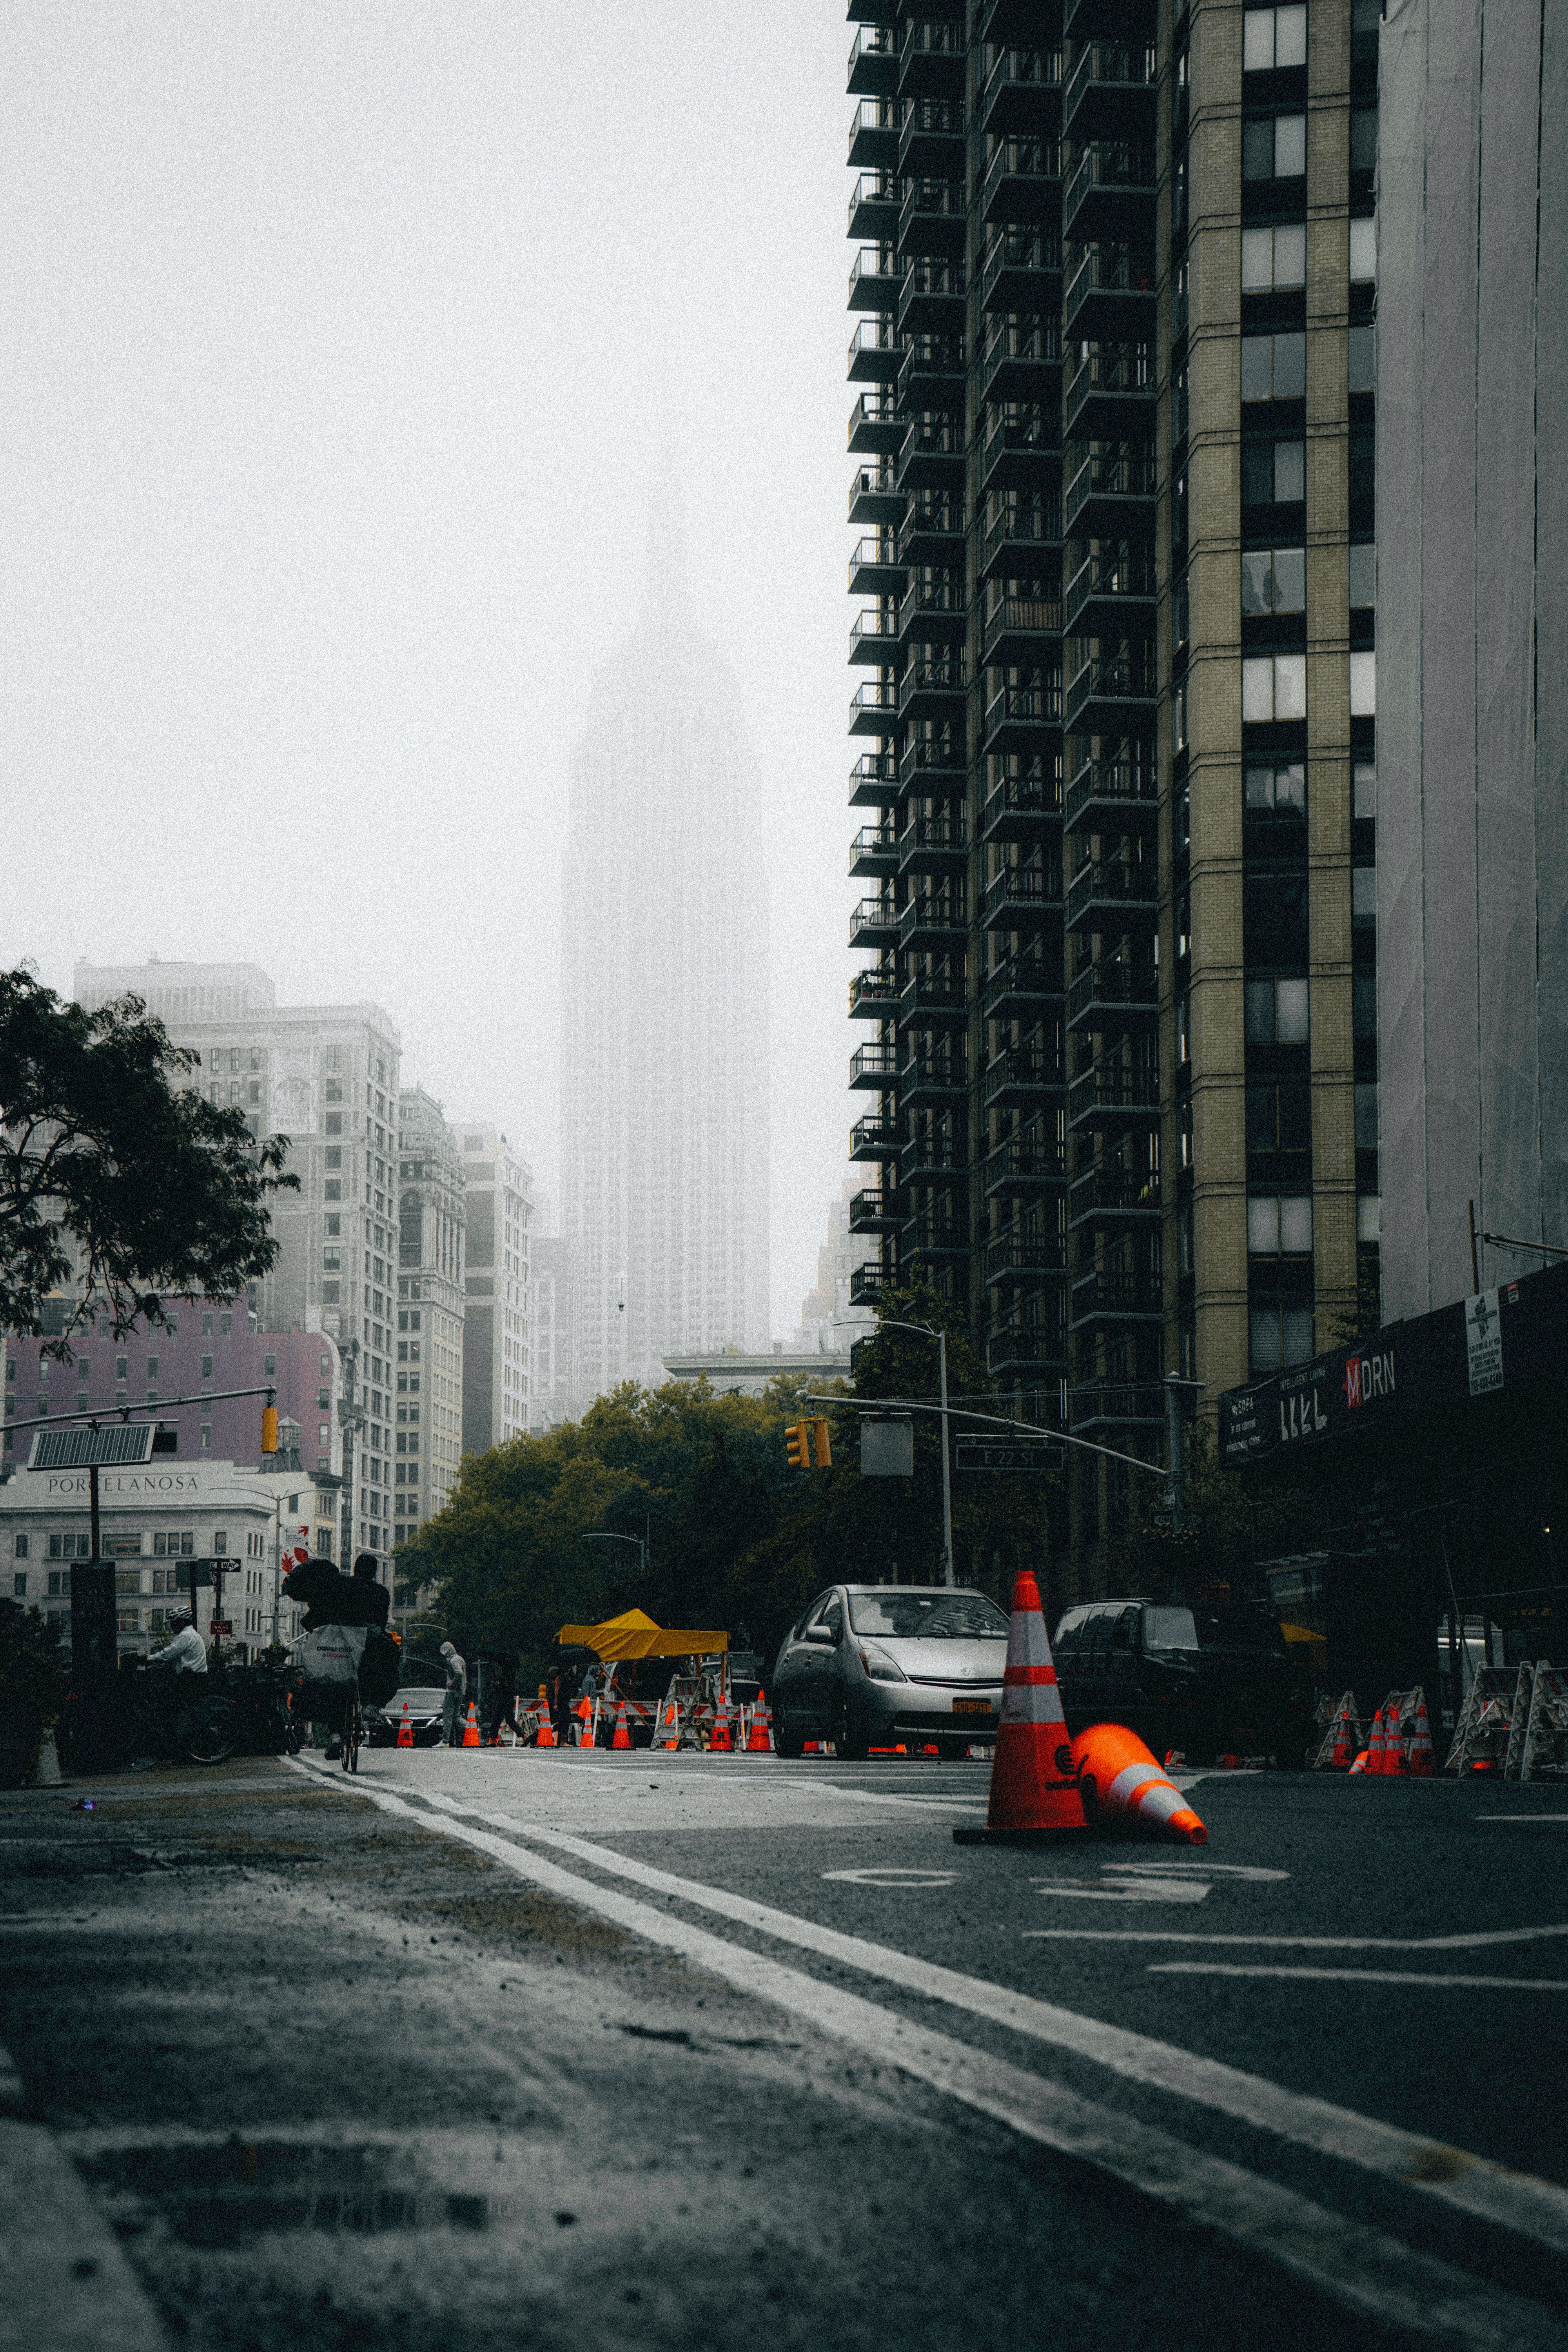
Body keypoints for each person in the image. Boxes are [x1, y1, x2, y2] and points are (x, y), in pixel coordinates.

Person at [150, 1608, 207, 1679]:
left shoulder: (185, 1635)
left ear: (181, 1623)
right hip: (198, 1678)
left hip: (189, 1681)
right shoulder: (193, 1634)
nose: (171, 1627)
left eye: (173, 1623)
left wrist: (147, 1658)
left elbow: (167, 1655)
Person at [351, 1552, 391, 1630]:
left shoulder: (343, 1585)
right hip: (372, 1638)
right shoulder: (382, 1592)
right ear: (374, 1572)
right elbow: (382, 1621)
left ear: (355, 1569)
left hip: (344, 1637)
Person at [439, 1640, 467, 1746]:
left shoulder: (453, 1660)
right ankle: (472, 1729)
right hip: (460, 1692)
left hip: (452, 1692)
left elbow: (459, 1673)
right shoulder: (460, 1659)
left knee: (447, 1717)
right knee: (456, 1716)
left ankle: (445, 1741)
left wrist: (452, 1684)